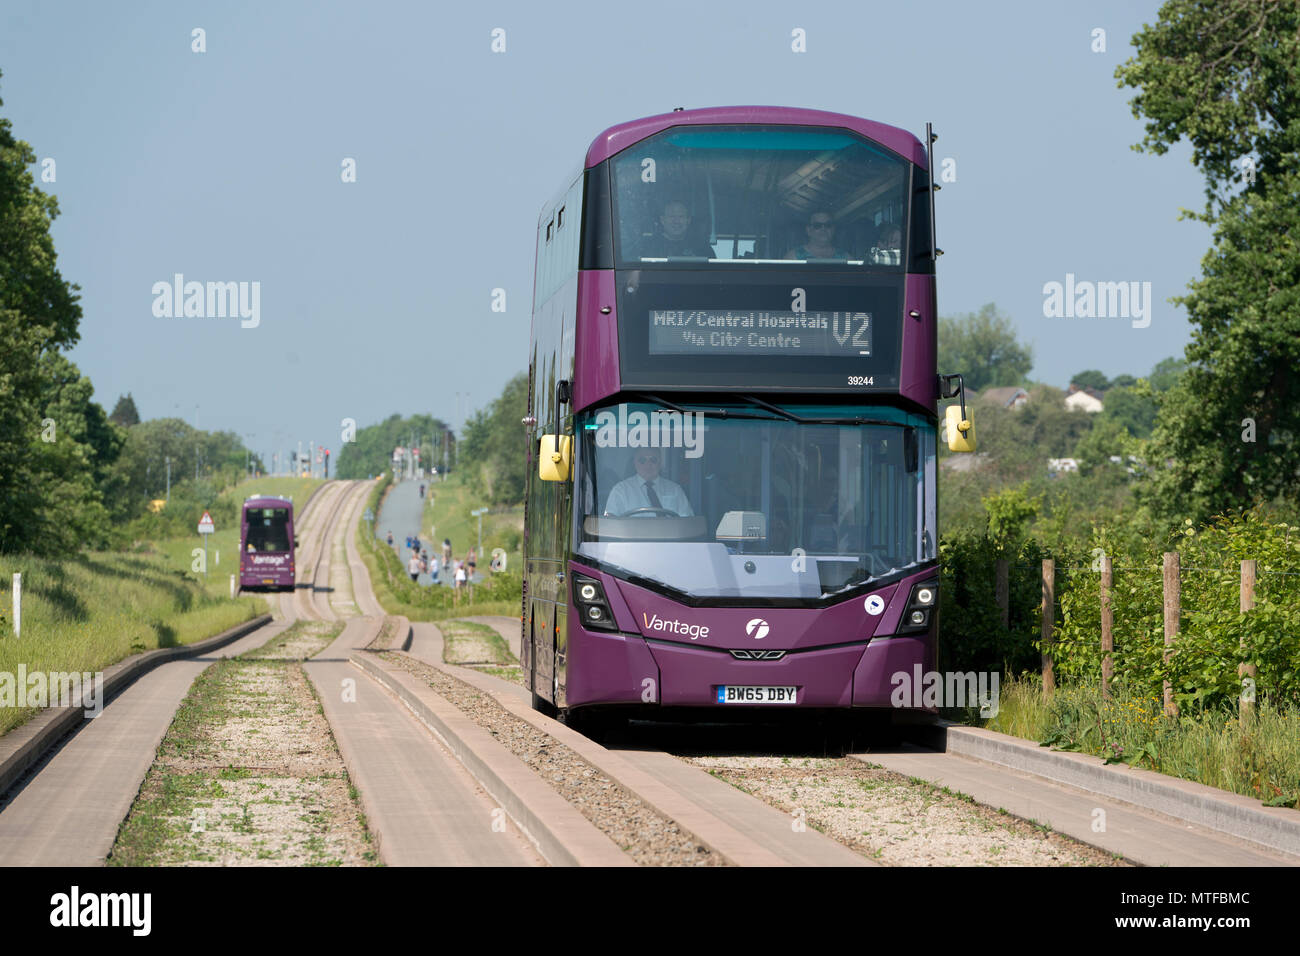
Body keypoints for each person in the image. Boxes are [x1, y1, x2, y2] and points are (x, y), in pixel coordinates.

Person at [603, 449, 694, 517]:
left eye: (653, 460)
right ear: (634, 463)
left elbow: (687, 523)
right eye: (642, 460)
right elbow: (611, 523)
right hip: (631, 542)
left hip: (669, 542)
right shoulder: (620, 490)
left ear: (660, 462)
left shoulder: (675, 490)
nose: (648, 464)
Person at [785, 210, 849, 260]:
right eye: (817, 226)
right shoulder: (793, 257)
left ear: (833, 229)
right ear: (808, 230)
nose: (823, 229)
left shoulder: (846, 258)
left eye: (828, 225)